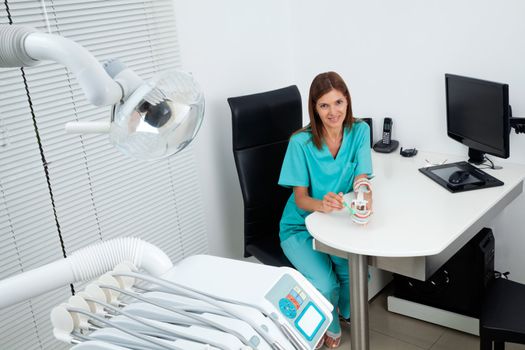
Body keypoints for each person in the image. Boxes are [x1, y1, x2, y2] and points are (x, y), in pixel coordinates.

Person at [278, 71, 373, 348]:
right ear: (314, 108)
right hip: (300, 227)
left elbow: (362, 178)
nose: (334, 112)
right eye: (324, 105)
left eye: (339, 102)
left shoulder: (360, 131)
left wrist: (365, 194)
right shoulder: (300, 143)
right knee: (327, 284)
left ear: (348, 102)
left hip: (337, 222)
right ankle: (330, 326)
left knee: (358, 276)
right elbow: (300, 200)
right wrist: (322, 204)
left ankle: (345, 312)